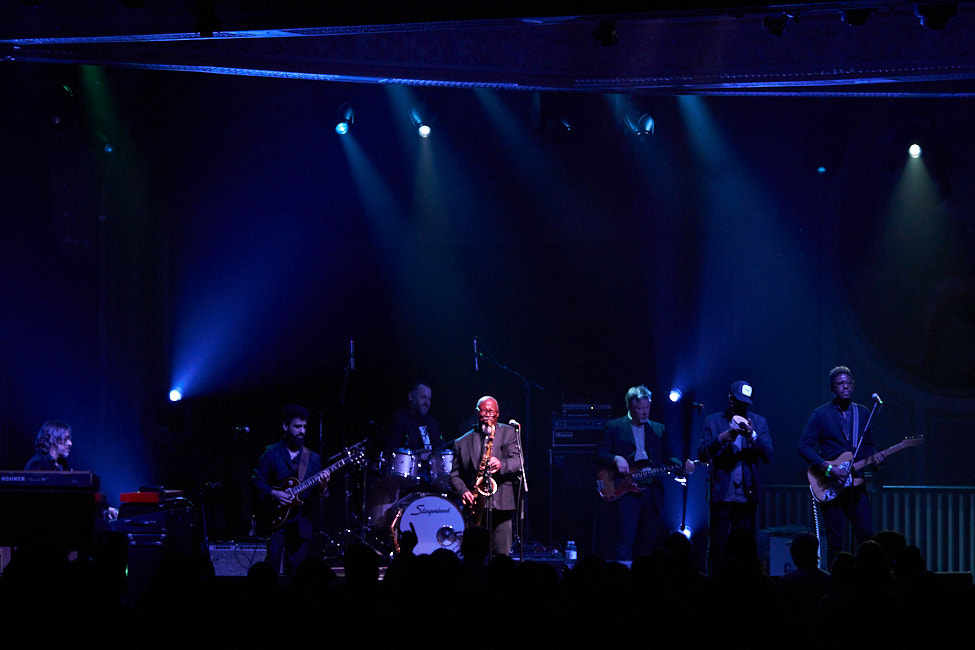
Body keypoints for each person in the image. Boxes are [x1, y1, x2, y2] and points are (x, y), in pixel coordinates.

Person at [597, 385, 694, 561]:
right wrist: (617, 458)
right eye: (640, 408)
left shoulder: (658, 429)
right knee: (625, 539)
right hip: (627, 491)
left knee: (649, 542)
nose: (644, 412)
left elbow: (668, 456)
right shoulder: (614, 427)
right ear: (629, 407)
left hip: (651, 491)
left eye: (647, 408)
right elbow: (600, 454)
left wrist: (682, 465)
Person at [798, 366, 883, 568]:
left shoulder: (862, 412)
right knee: (836, 540)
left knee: (866, 536)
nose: (845, 387)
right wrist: (828, 468)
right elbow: (803, 446)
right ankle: (834, 582)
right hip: (831, 485)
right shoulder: (820, 414)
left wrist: (876, 458)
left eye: (848, 383)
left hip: (857, 485)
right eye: (840, 383)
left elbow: (868, 444)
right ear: (832, 388)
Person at [699, 380, 773, 571]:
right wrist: (722, 439)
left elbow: (768, 455)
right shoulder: (713, 421)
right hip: (721, 494)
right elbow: (701, 453)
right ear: (730, 399)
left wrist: (752, 435)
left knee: (745, 548)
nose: (742, 406)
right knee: (717, 545)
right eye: (739, 401)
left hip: (747, 496)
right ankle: (715, 584)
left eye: (746, 403)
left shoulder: (758, 422)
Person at [252, 404, 329, 576]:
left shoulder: (313, 457)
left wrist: (323, 487)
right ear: (285, 426)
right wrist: (273, 493)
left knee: (297, 572)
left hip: (302, 522)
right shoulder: (271, 453)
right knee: (271, 568)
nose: (302, 431)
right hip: (275, 520)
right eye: (297, 426)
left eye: (304, 427)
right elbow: (256, 481)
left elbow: (318, 493)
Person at [449, 396, 522, 557]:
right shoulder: (461, 442)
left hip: (502, 505)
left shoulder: (509, 433)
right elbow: (454, 475)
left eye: (492, 411)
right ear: (477, 412)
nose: (488, 414)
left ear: (498, 414)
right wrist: (463, 491)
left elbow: (518, 461)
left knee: (501, 556)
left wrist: (501, 464)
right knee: (473, 556)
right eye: (484, 410)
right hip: (474, 507)